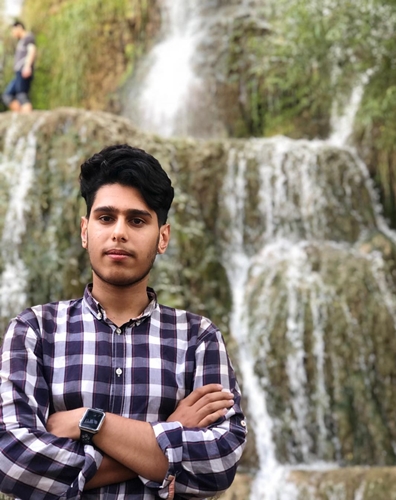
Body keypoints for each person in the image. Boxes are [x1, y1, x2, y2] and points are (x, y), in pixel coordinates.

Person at [0, 144, 247, 499]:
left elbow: (219, 462)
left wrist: (90, 422)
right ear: (85, 231)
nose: (119, 232)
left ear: (163, 237)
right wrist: (170, 432)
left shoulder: (198, 338)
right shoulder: (35, 330)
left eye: (137, 220)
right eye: (105, 218)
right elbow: (11, 459)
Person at [2, 20, 36, 113]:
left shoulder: (28, 37)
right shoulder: (21, 41)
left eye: (13, 30)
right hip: (18, 73)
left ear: (19, 27)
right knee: (7, 95)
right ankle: (21, 115)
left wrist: (27, 66)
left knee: (22, 95)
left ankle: (28, 117)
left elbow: (32, 50)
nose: (13, 33)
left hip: (23, 70)